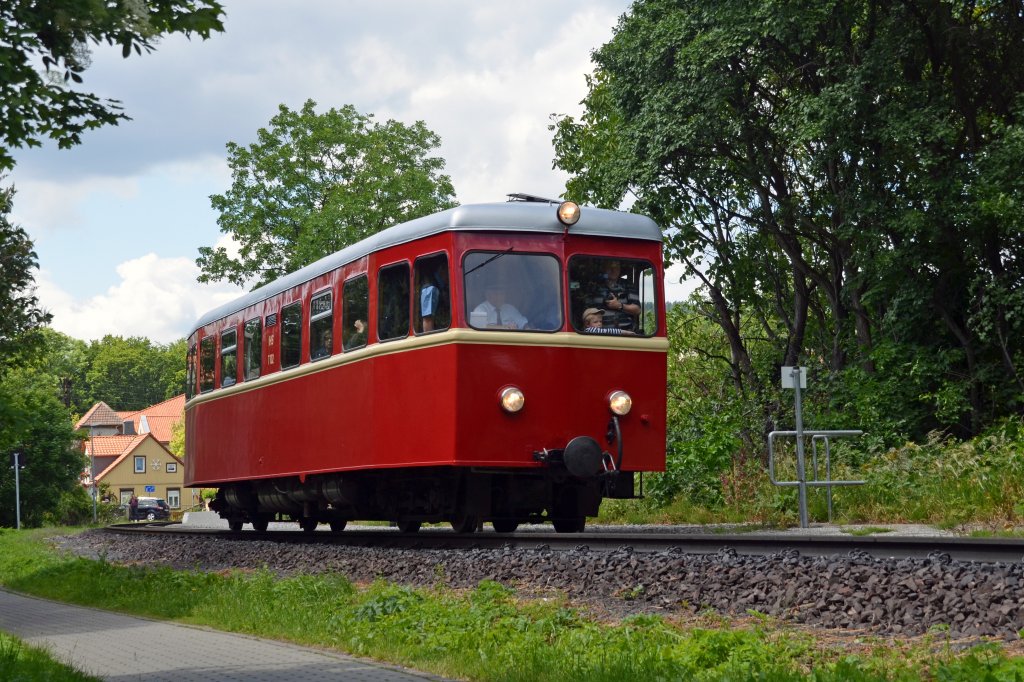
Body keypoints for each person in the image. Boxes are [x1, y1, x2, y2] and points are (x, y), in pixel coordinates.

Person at [587, 260, 641, 332]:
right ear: (604, 268)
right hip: (600, 334)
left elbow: (637, 310)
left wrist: (620, 305)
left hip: (626, 334)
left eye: (616, 267)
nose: (613, 270)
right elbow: (586, 312)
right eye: (610, 267)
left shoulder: (627, 284)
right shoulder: (594, 286)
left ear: (620, 269)